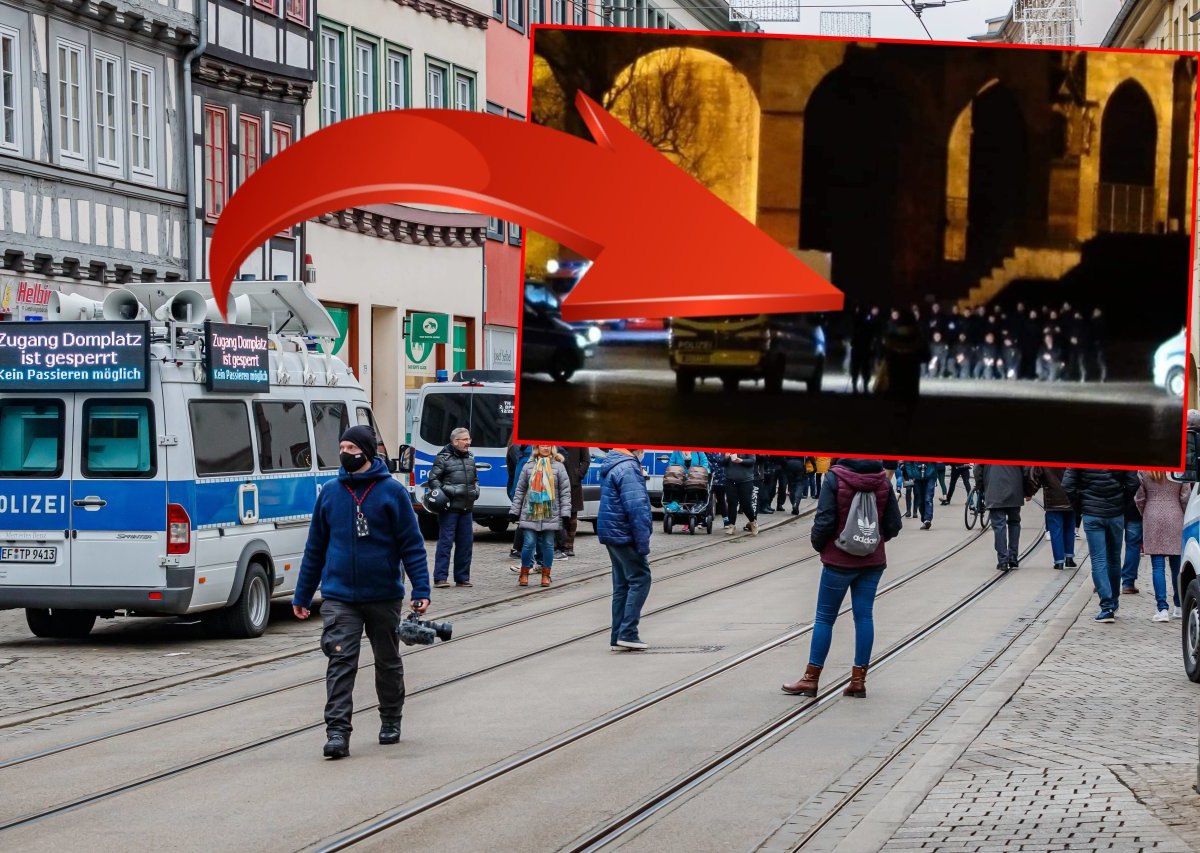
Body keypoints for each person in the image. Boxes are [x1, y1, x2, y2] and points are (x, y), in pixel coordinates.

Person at [292, 425, 431, 760]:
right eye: (341, 447)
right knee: (340, 660)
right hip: (340, 595)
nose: (345, 453)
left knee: (387, 660)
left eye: (352, 447)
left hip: (383, 593)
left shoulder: (392, 493)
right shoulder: (330, 493)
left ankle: (390, 719)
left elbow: (411, 545)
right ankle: (337, 732)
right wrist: (302, 594)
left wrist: (421, 588)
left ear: (367, 453)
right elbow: (315, 548)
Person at [781, 458, 903, 699]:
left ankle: (811, 678)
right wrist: (874, 541)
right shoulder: (882, 480)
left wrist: (821, 546)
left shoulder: (834, 477)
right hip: (872, 561)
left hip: (838, 560)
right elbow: (893, 524)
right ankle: (858, 681)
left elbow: (824, 520)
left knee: (825, 619)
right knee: (864, 616)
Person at [1063, 467, 1140, 623]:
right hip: (1116, 513)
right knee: (1114, 558)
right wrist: (1121, 502)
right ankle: (1114, 601)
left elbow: (1067, 484)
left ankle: (1107, 607)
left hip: (1092, 513)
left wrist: (1081, 505)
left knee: (1098, 560)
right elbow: (1133, 482)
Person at [598, 449, 653, 651]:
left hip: (613, 532)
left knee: (622, 584)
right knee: (640, 578)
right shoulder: (629, 467)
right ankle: (628, 632)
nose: (645, 451)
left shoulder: (614, 463)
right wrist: (643, 542)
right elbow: (636, 506)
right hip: (624, 533)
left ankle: (618, 636)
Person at [510, 445, 572, 588]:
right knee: (529, 543)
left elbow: (565, 492)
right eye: (543, 445)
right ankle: (524, 573)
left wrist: (566, 513)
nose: (546, 448)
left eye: (548, 445)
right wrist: (515, 510)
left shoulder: (559, 467)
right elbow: (520, 490)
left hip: (551, 512)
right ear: (537, 447)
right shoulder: (528, 466)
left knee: (548, 545)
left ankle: (546, 575)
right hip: (531, 512)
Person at [428, 427, 479, 589]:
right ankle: (440, 577)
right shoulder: (443, 458)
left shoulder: (470, 458)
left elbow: (475, 479)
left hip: (466, 507)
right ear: (455, 441)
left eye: (469, 439)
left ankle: (462, 577)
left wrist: (476, 490)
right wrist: (448, 491)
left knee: (466, 544)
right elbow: (433, 480)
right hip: (449, 508)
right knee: (446, 543)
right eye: (465, 439)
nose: (468, 442)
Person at [1135, 470, 1190, 621]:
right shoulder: (1179, 470)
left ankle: (1162, 608)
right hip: (1175, 514)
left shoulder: (1144, 470)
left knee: (1157, 566)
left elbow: (1139, 497)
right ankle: (1179, 606)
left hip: (1152, 515)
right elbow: (1185, 496)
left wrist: (1145, 512)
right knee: (1177, 566)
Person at [976, 464, 1030, 571]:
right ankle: (1013, 557)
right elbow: (1027, 469)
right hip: (1015, 490)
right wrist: (1027, 490)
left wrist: (981, 486)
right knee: (1014, 523)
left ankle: (1003, 560)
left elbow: (977, 469)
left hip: (994, 489)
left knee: (999, 525)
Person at [1028, 466, 1077, 570]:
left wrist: (1029, 492)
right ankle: (1069, 558)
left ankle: (1059, 561)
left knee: (1056, 530)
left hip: (1053, 499)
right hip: (1071, 497)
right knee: (1069, 528)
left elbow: (1035, 477)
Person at [556, 445, 591, 558]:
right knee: (557, 514)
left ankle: (569, 546)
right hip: (556, 481)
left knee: (572, 516)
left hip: (573, 482)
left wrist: (578, 474)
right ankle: (557, 545)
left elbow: (586, 460)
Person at [506, 442, 534, 560]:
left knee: (526, 521)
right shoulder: (522, 454)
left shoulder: (522, 451)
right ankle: (520, 550)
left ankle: (518, 549)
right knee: (526, 521)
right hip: (524, 493)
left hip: (522, 492)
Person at [724, 452, 758, 535]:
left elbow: (752, 460)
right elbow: (722, 462)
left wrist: (741, 460)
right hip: (730, 479)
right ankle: (732, 525)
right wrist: (726, 457)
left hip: (745, 480)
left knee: (745, 503)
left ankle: (753, 522)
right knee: (732, 503)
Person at [1120, 489, 1144, 596]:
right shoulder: (1140, 472)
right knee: (1133, 547)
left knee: (1109, 545)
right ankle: (1128, 583)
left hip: (1113, 507)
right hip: (1135, 509)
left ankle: (1103, 581)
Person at [901, 460, 937, 529]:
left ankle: (927, 519)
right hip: (917, 477)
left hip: (930, 475)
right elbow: (908, 462)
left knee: (928, 498)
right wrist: (911, 475)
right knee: (920, 499)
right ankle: (924, 519)